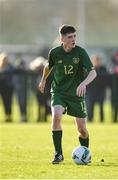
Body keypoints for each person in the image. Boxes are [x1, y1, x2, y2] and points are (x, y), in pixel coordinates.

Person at [39, 25, 96, 164]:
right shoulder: (54, 52)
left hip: (76, 94)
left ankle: (85, 153)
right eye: (70, 37)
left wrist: (83, 83)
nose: (73, 39)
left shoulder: (80, 52)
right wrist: (43, 80)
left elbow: (93, 72)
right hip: (59, 91)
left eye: (75, 36)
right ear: (62, 38)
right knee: (56, 116)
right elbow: (48, 66)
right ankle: (58, 154)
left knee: (82, 129)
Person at [86, 55, 107, 122]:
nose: (97, 62)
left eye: (98, 60)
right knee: (90, 106)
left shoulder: (103, 69)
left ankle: (102, 120)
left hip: (100, 91)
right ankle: (90, 119)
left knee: (101, 106)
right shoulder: (90, 68)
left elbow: (106, 79)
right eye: (96, 60)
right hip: (91, 91)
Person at [0, 53, 14, 122]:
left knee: (9, 102)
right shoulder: (1, 67)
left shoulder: (10, 66)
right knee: (4, 102)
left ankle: (9, 116)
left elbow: (12, 70)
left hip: (8, 88)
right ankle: (6, 115)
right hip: (2, 88)